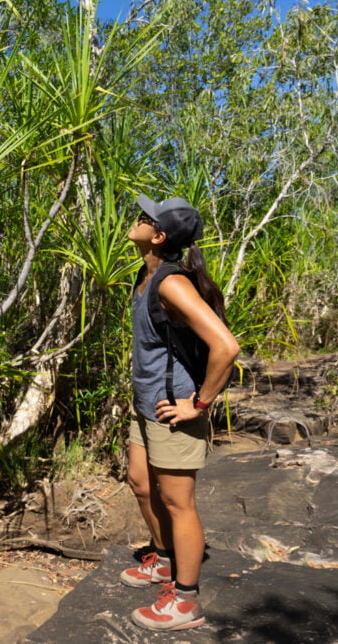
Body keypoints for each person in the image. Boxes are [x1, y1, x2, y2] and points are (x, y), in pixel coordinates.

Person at [121, 193, 239, 631]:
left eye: (144, 218)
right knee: (139, 483)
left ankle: (185, 601)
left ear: (159, 235)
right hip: (147, 405)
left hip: (174, 410)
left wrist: (199, 404)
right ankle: (165, 561)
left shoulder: (172, 283)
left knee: (177, 501)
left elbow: (226, 346)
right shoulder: (144, 275)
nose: (134, 220)